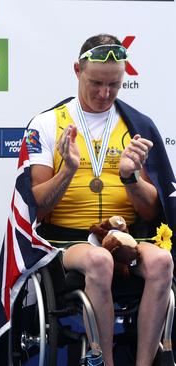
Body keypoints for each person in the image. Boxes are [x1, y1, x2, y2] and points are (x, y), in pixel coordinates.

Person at [26, 34, 174, 364]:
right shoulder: (47, 124)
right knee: (99, 260)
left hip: (126, 237)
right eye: (96, 83)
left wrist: (130, 177)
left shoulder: (137, 126)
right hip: (67, 242)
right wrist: (68, 171)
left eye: (114, 85)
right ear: (77, 70)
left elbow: (153, 211)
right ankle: (104, 361)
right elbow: (35, 206)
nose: (105, 94)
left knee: (163, 262)